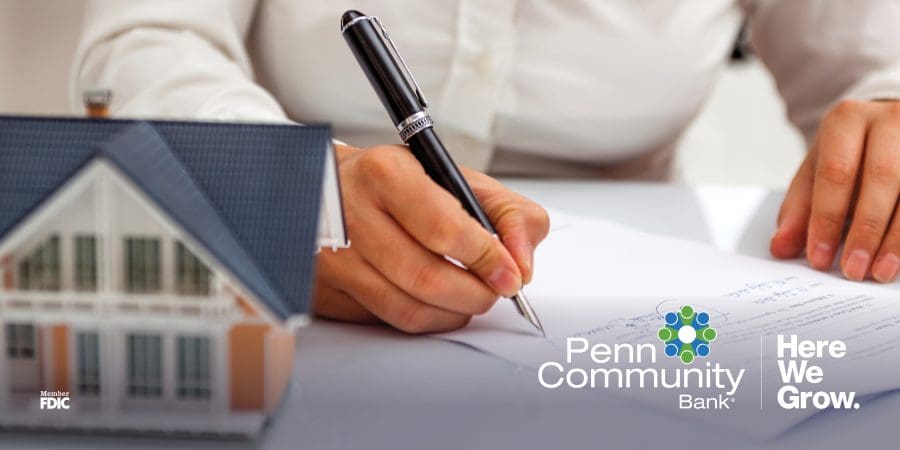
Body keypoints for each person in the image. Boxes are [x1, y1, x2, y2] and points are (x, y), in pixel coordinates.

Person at [72, 1, 900, 333]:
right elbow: (145, 41)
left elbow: (874, 64)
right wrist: (288, 188)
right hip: (290, 293)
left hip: (645, 279)